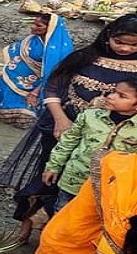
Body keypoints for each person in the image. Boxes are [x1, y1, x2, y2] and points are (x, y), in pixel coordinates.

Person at [0, 16, 137, 241]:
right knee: (48, 174)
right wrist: (61, 119)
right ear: (108, 35)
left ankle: (66, 233)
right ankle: (27, 225)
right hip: (62, 128)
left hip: (113, 136)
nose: (125, 48)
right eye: (119, 42)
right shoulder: (84, 58)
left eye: (133, 45)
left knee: (93, 186)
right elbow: (52, 87)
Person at [42, 80, 137, 213]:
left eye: (122, 96)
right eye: (114, 92)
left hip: (111, 189)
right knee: (63, 215)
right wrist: (53, 166)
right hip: (74, 182)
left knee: (97, 222)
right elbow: (67, 141)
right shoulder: (90, 116)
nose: (111, 96)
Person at [0, 13, 75, 128]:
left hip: (33, 88)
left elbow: (53, 73)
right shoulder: (31, 40)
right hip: (10, 81)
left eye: (38, 26)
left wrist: (35, 92)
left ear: (50, 28)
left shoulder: (60, 49)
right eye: (33, 24)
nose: (33, 27)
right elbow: (15, 58)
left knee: (24, 121)